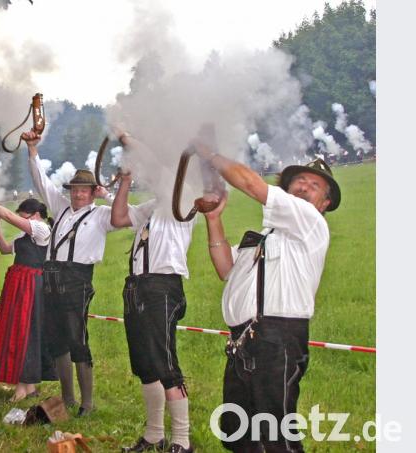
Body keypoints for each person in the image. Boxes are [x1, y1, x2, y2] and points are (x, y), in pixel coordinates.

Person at [197, 142, 340, 452]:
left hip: (278, 337)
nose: (304, 187)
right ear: (286, 188)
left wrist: (209, 153)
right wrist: (214, 219)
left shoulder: (310, 222)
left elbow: (250, 183)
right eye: (299, 181)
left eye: (315, 186)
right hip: (244, 339)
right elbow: (226, 269)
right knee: (237, 433)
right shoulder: (264, 237)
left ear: (324, 203)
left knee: (275, 434)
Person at [25, 130, 118, 417]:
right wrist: (32, 151)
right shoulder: (61, 208)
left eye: (84, 190)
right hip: (51, 278)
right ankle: (68, 398)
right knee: (57, 341)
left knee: (78, 340)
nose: (77, 194)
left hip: (77, 280)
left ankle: (87, 404)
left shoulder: (102, 215)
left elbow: (129, 215)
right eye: (74, 189)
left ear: (92, 193)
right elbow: (42, 182)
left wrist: (108, 196)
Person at [111, 164, 196, 452]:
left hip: (162, 287)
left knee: (165, 365)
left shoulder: (182, 200)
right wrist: (125, 181)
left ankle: (182, 441)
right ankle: (154, 435)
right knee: (145, 365)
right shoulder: (152, 206)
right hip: (137, 286)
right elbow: (119, 216)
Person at [0, 195, 57, 402]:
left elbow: (8, 215)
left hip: (31, 285)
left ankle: (23, 386)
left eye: (25, 217)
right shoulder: (25, 234)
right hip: (19, 285)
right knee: (16, 330)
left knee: (25, 332)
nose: (23, 221)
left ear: (36, 215)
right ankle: (28, 386)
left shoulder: (42, 229)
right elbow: (4, 249)